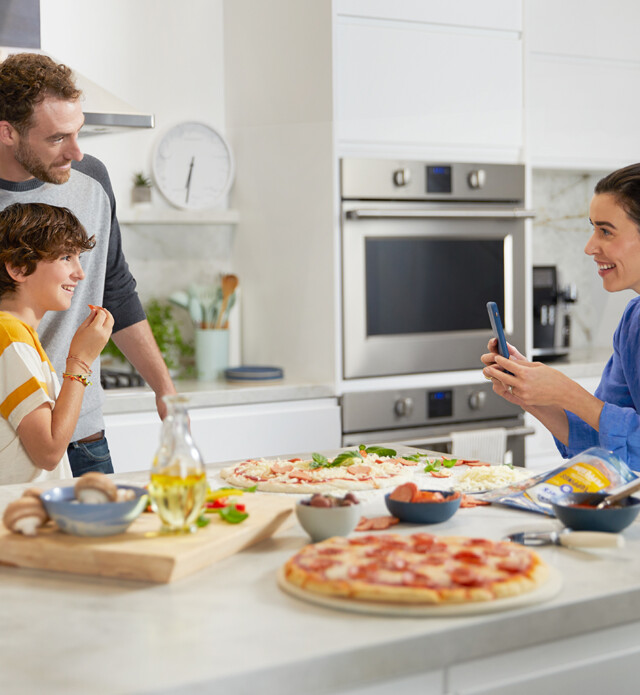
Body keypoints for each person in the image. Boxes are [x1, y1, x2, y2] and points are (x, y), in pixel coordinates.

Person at [0, 52, 176, 476]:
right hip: (13, 442)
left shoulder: (92, 180)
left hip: (84, 436)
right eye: (58, 138)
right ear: (7, 132)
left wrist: (164, 389)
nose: (76, 152)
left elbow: (115, 287)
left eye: (79, 132)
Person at [481, 162, 640, 473]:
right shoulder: (633, 320)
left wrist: (567, 391)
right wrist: (532, 395)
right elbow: (602, 440)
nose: (590, 246)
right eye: (592, 228)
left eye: (605, 231)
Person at [0, 202, 113, 484]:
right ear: (18, 267)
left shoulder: (18, 336)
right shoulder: (10, 337)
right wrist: (81, 360)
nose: (80, 273)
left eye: (78, 258)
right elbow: (48, 452)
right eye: (66, 257)